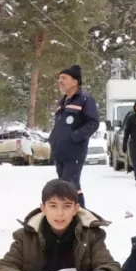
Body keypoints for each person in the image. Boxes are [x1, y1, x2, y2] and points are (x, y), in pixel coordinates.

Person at [49, 65, 100, 208]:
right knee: (71, 186)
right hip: (60, 151)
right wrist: (53, 139)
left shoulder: (85, 99)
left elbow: (93, 123)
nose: (60, 81)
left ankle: (78, 217)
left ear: (75, 81)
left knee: (68, 185)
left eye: (64, 78)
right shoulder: (63, 101)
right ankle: (80, 216)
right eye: (59, 78)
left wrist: (76, 136)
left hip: (74, 151)